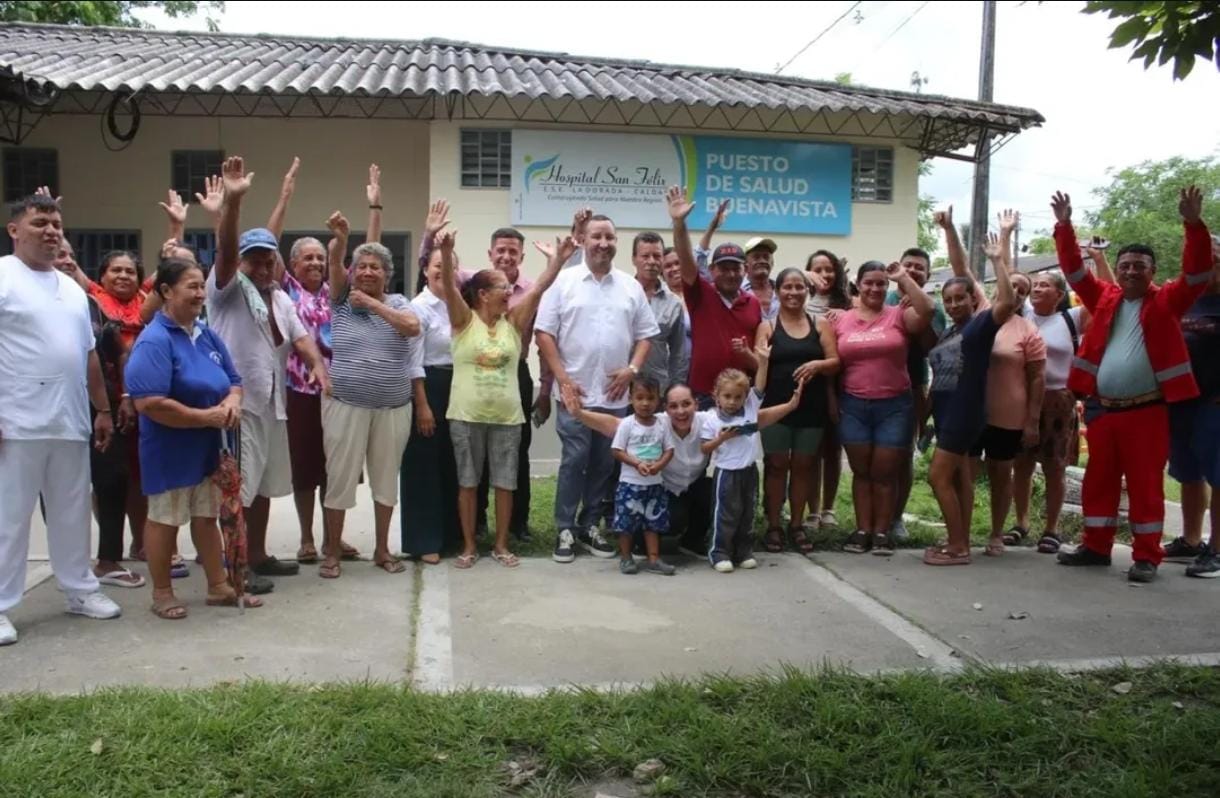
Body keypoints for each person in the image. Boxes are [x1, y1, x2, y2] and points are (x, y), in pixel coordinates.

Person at [1052, 186, 1213, 583]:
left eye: (1139, 265)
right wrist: (1064, 226)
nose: (1129, 271)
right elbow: (1073, 271)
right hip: (1104, 410)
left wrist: (1193, 225)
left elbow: (1197, 273)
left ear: (1152, 272)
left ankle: (1146, 557)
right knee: (1098, 483)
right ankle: (1095, 546)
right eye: (1124, 265)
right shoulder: (1104, 298)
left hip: (1148, 411)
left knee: (1145, 487)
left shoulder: (1168, 301)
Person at [0, 194, 121, 646]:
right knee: (9, 517)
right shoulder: (3, 278)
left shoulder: (72, 289)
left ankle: (79, 589)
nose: (51, 231)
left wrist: (103, 409)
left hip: (70, 420)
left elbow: (89, 355)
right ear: (15, 230)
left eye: (56, 223)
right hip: (16, 421)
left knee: (72, 511)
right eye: (39, 223)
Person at [205, 157, 330, 593]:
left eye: (268, 261)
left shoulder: (278, 297)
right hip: (237, 408)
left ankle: (255, 556)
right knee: (236, 490)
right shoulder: (226, 290)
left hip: (272, 406)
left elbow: (300, 338)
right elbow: (225, 250)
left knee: (260, 489)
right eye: (253, 260)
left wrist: (316, 364)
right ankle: (233, 567)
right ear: (240, 263)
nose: (261, 268)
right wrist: (234, 203)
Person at [124, 258, 262, 618]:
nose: (201, 293)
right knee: (165, 519)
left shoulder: (206, 333)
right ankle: (162, 593)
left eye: (202, 285)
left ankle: (218, 585)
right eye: (192, 286)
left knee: (206, 515)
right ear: (167, 292)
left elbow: (234, 379)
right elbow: (150, 403)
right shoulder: (154, 341)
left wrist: (231, 402)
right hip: (170, 448)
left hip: (209, 447)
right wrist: (206, 417)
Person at [439, 229, 572, 568]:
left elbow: (539, 287)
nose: (510, 292)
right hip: (466, 415)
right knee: (468, 483)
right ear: (482, 294)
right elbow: (450, 289)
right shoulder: (462, 321)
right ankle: (469, 545)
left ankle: (501, 545)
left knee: (505, 483)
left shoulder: (513, 322)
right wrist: (444, 250)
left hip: (508, 418)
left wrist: (558, 260)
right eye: (502, 288)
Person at [536, 214, 659, 564]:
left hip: (616, 397)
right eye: (596, 236)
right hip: (575, 393)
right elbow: (544, 333)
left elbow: (646, 335)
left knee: (604, 463)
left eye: (609, 237)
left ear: (616, 242)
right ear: (583, 241)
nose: (603, 243)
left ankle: (590, 525)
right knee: (575, 460)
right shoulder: (563, 281)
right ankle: (565, 528)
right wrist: (561, 377)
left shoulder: (629, 287)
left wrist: (632, 369)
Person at [264, 157, 361, 565]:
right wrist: (284, 197)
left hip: (340, 391)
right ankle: (307, 538)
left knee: (336, 469)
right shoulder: (284, 290)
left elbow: (360, 255)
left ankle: (333, 540)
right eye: (308, 258)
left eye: (321, 258)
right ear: (292, 264)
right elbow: (268, 246)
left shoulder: (336, 292)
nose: (316, 264)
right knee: (306, 469)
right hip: (300, 391)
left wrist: (350, 232)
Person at [320, 212, 423, 579]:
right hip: (346, 405)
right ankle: (332, 551)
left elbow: (413, 328)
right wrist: (341, 242)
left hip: (393, 408)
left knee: (384, 480)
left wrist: (374, 304)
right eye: (361, 266)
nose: (366, 272)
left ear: (387, 274)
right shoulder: (340, 300)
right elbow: (334, 263)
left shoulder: (397, 304)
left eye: (374, 267)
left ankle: (382, 549)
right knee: (340, 480)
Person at [923, 234, 1017, 565]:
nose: (952, 305)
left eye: (959, 299)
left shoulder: (979, 327)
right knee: (961, 480)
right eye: (947, 300)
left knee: (938, 477)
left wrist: (997, 261)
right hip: (947, 414)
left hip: (965, 413)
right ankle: (958, 539)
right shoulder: (950, 331)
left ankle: (959, 548)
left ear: (971, 300)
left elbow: (1007, 303)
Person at [835, 260, 933, 554]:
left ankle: (882, 531)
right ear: (859, 285)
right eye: (869, 282)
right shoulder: (841, 319)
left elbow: (927, 310)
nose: (875, 288)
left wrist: (903, 277)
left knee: (885, 472)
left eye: (881, 283)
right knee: (861, 471)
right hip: (852, 404)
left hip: (894, 406)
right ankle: (862, 529)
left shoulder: (900, 315)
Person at [563, 382, 712, 556]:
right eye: (673, 406)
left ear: (696, 404)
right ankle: (644, 543)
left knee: (712, 491)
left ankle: (692, 541)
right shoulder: (658, 423)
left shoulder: (708, 421)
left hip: (692, 487)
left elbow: (737, 417)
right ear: (665, 408)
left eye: (686, 404)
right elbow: (614, 424)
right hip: (664, 490)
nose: (681, 411)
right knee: (672, 518)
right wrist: (579, 414)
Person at [754, 267, 839, 554]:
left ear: (808, 291)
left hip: (811, 407)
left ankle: (797, 525)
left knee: (804, 467)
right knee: (777, 465)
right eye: (787, 287)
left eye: (799, 287)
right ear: (777, 292)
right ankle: (775, 525)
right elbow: (759, 368)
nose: (793, 292)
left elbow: (835, 361)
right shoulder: (767, 326)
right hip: (776, 408)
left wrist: (818, 365)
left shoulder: (820, 324)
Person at [700, 368, 806, 572]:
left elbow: (760, 385)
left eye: (738, 397)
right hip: (726, 473)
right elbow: (704, 448)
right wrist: (721, 438)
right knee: (725, 514)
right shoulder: (712, 420)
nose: (732, 401)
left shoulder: (750, 408)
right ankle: (719, 551)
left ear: (745, 397)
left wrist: (764, 361)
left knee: (747, 512)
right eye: (727, 396)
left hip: (749, 471)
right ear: (717, 396)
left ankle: (743, 551)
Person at [1012, 272, 1087, 554]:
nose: (1038, 288)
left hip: (1058, 400)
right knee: (1021, 464)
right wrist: (1004, 240)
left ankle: (1052, 529)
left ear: (1059, 294)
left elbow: (1102, 301)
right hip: (1023, 398)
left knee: (1055, 466)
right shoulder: (1024, 316)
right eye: (1036, 284)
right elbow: (1008, 277)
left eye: (1045, 285)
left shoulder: (1071, 319)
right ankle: (1021, 523)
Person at [668, 186, 761, 409]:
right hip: (703, 395)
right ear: (712, 270)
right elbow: (685, 256)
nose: (730, 274)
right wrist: (679, 224)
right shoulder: (699, 293)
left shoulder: (754, 303)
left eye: (736, 268)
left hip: (740, 397)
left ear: (745, 271)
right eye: (724, 268)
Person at [400, 241, 463, 565]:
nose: (443, 271)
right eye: (438, 265)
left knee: (452, 464)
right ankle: (424, 540)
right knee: (424, 465)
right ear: (426, 269)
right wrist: (422, 406)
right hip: (427, 387)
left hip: (460, 387)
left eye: (450, 264)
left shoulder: (458, 303)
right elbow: (413, 361)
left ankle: (451, 535)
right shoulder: (418, 307)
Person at [1172, 235, 1220, 578]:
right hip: (1180, 401)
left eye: (1213, 258)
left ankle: (1216, 549)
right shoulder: (1184, 300)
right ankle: (1190, 540)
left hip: (1214, 402)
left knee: (1218, 476)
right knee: (1187, 471)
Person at [599, 376, 677, 575]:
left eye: (650, 398)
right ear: (630, 399)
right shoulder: (627, 424)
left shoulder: (661, 424)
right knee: (626, 524)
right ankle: (626, 558)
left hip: (655, 485)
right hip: (630, 484)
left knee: (653, 524)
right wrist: (637, 463)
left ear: (658, 401)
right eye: (640, 397)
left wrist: (659, 465)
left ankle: (653, 559)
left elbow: (669, 450)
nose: (645, 403)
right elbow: (617, 450)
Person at [804, 250, 853, 533]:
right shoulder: (801, 301)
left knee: (832, 450)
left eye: (829, 269)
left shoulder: (847, 304)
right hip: (810, 384)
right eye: (817, 269)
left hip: (839, 382)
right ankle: (811, 510)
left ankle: (829, 508)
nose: (824, 274)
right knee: (810, 451)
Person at [632, 231, 686, 388]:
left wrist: (676, 388)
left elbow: (678, 354)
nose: (652, 261)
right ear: (634, 259)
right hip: (621, 388)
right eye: (645, 256)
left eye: (657, 256)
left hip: (657, 390)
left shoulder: (674, 303)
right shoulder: (621, 294)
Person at [661, 246, 691, 384]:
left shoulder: (699, 295)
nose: (674, 268)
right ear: (661, 272)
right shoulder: (659, 299)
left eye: (677, 263)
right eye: (667, 266)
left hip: (698, 370)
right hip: (669, 374)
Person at [742, 237, 779, 322]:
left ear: (772, 263)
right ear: (745, 264)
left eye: (766, 257)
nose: (762, 261)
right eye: (756, 257)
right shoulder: (737, 291)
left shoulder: (782, 291)